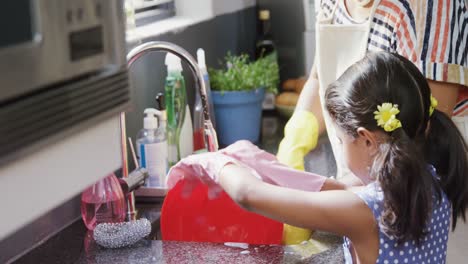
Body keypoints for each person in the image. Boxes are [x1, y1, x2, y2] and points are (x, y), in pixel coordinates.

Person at [167, 52, 468, 263]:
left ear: (365, 139)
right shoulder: (434, 179)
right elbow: (345, 189)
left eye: (340, 139)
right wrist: (268, 165)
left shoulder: (366, 211)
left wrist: (216, 161)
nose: (338, 144)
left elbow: (248, 194)